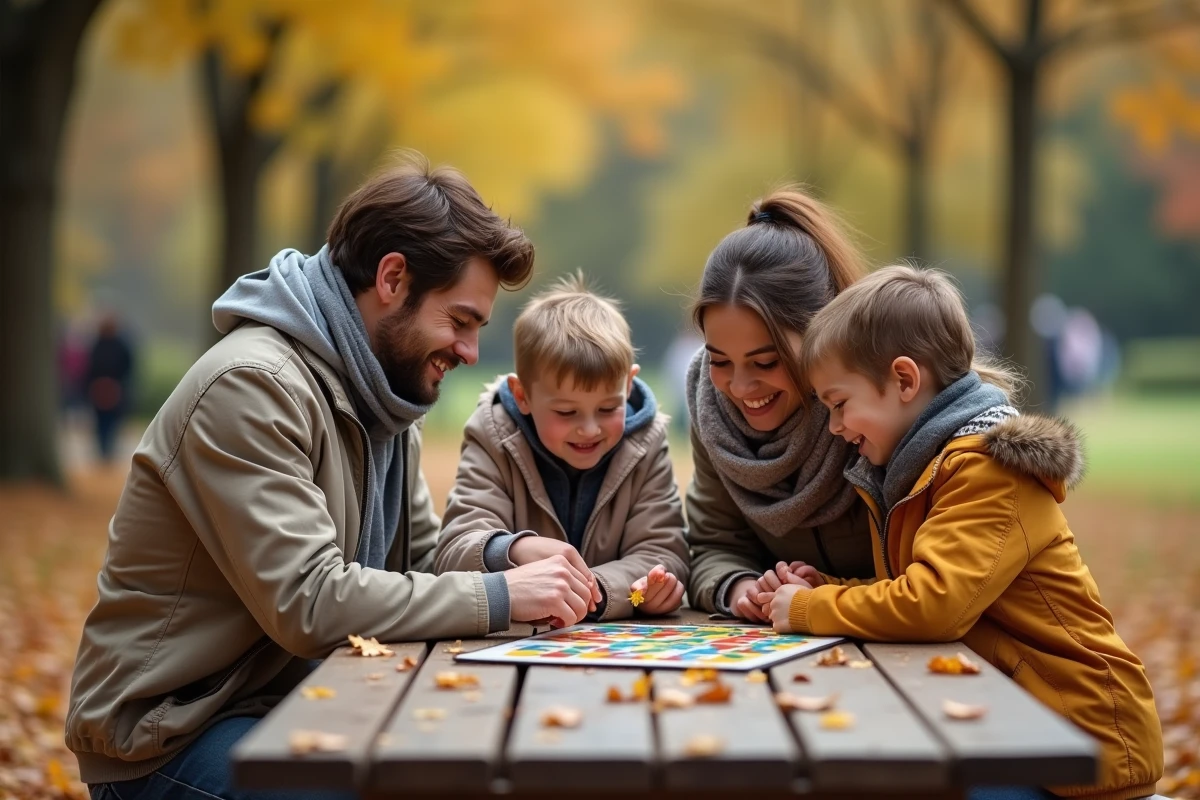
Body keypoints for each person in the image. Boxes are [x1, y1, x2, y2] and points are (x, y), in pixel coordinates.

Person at [66, 154, 603, 800]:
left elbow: (423, 558)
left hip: (297, 702)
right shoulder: (253, 387)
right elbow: (310, 602)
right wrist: (503, 596)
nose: (468, 352)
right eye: (460, 321)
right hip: (172, 738)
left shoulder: (381, 393)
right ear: (393, 277)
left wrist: (505, 555)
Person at [760, 265, 1163, 800]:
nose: (835, 427)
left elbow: (934, 605)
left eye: (839, 404)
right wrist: (826, 587)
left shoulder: (987, 472)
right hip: (1010, 727)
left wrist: (812, 609)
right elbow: (924, 590)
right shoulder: (925, 469)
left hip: (1080, 746)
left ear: (905, 380)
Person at [436, 272, 689, 618]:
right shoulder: (493, 435)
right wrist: (514, 549)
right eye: (566, 411)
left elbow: (665, 552)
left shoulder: (646, 443)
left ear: (628, 386)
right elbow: (454, 550)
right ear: (522, 395)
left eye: (607, 408)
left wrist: (600, 590)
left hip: (612, 643)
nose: (589, 429)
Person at [685, 187, 874, 622]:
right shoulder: (711, 406)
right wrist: (738, 588)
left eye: (766, 362)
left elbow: (932, 577)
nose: (740, 386)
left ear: (822, 334)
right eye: (720, 360)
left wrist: (821, 597)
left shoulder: (882, 404)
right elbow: (715, 543)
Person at [85, 313, 135, 463]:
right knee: (101, 422)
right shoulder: (96, 344)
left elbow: (128, 368)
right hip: (100, 391)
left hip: (114, 391)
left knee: (111, 423)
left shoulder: (119, 345)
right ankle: (103, 451)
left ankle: (107, 451)